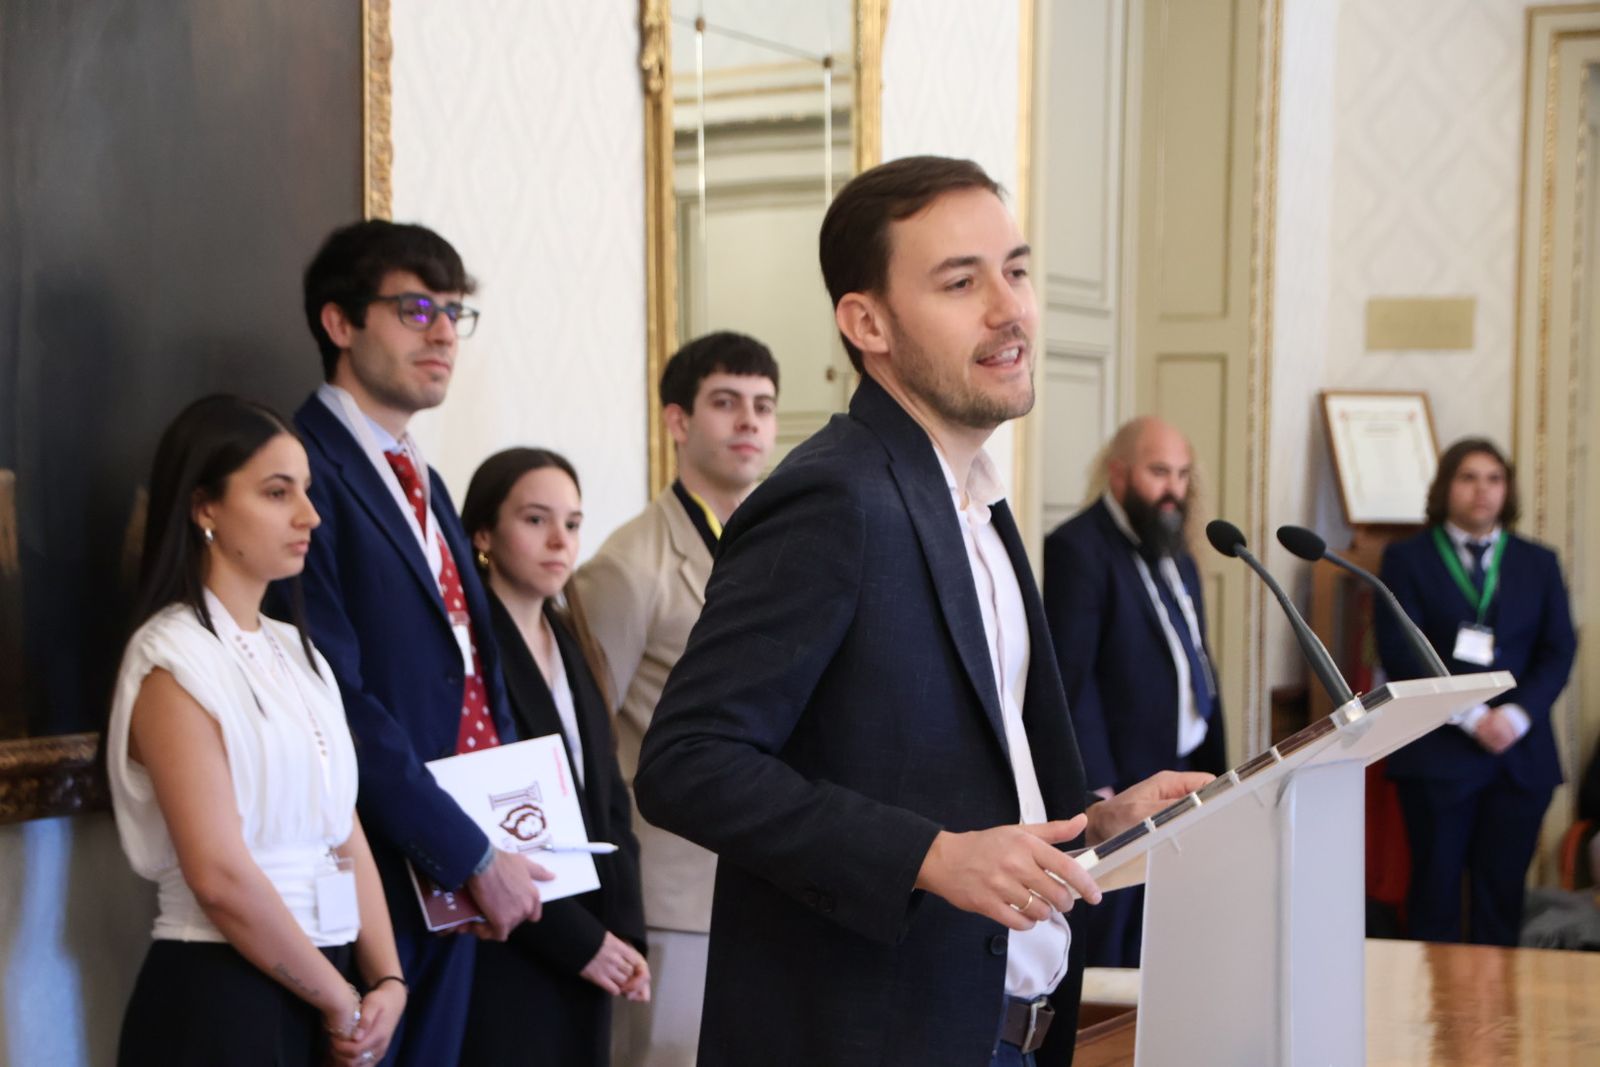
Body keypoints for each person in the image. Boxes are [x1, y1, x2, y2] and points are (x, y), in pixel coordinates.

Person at [633, 155, 1207, 1067]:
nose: (1008, 307)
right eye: (960, 281)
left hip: (1002, 1027)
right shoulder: (833, 497)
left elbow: (958, 763)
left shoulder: (975, 498)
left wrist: (1092, 824)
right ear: (867, 323)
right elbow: (686, 763)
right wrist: (926, 856)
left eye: (1015, 270)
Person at [276, 220, 550, 1065]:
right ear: (340, 323)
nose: (441, 333)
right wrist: (465, 847)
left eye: (454, 313)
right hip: (370, 866)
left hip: (458, 868)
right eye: (415, 307)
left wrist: (500, 835)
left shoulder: (421, 472)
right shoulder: (299, 469)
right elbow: (334, 695)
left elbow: (470, 660)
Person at [107, 395, 405, 1066]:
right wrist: (340, 999)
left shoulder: (299, 652)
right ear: (204, 505)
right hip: (219, 988)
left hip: (324, 980)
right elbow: (218, 875)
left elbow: (342, 827)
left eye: (306, 489)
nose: (309, 515)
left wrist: (386, 977)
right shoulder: (172, 659)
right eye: (277, 492)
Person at [571, 331, 778, 1066]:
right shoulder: (629, 567)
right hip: (672, 893)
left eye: (762, 405)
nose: (749, 421)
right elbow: (587, 744)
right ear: (678, 421)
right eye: (726, 403)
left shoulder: (782, 549)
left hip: (775, 877)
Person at [458, 447, 650, 1066]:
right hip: (514, 935)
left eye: (571, 523)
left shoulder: (570, 637)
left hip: (589, 935)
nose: (559, 540)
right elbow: (481, 808)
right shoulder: (466, 645)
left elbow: (609, 799)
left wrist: (624, 934)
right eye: (536, 520)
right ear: (484, 532)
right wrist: (582, 943)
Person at [1041, 416, 1226, 967]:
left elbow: (1197, 661)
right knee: (1113, 950)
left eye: (1183, 474)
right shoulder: (1077, 549)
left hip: (1182, 766)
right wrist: (1098, 795)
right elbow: (1072, 678)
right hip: (1120, 781)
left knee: (1166, 941)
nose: (1174, 489)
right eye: (1159, 472)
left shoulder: (1177, 551)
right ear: (1118, 473)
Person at [1377, 437, 1576, 946]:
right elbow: (1401, 651)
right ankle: (1432, 1022)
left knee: (1502, 899)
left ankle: (1498, 1022)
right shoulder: (1407, 559)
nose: (1481, 491)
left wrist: (1514, 717)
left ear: (1506, 490)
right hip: (1440, 753)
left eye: (1493, 478)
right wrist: (1470, 717)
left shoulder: (1539, 562)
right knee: (1435, 896)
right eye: (1468, 478)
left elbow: (1557, 651)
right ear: (1445, 488)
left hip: (1519, 753)